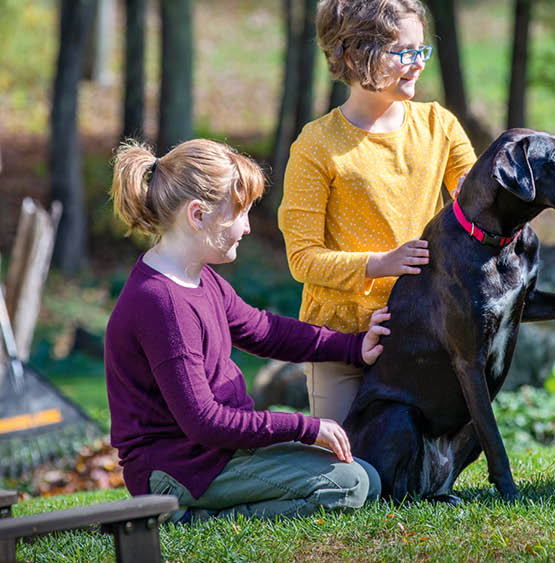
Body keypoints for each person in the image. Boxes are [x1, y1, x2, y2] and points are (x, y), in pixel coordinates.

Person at [106, 138, 389, 523]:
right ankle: (186, 519)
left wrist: (354, 348)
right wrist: (306, 427)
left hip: (219, 453)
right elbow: (203, 421)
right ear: (198, 215)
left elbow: (266, 331)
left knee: (366, 478)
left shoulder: (200, 279)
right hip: (177, 471)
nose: (248, 227)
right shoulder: (162, 304)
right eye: (239, 212)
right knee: (350, 484)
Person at [279, 0, 476, 423]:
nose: (417, 65)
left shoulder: (439, 126)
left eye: (421, 51)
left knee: (413, 470)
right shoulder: (315, 145)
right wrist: (380, 263)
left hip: (424, 329)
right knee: (349, 473)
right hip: (338, 340)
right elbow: (303, 260)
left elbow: (480, 208)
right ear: (354, 56)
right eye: (402, 53)